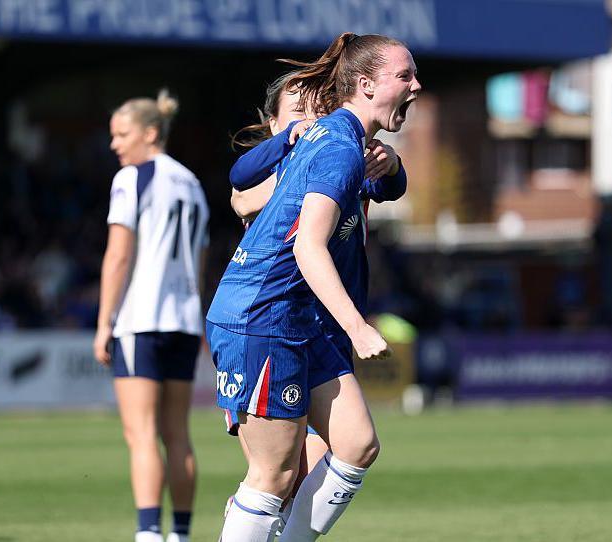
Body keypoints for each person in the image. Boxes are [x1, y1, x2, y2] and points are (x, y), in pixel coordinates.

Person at [206, 32, 420, 541]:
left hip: (301, 320)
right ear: (366, 85)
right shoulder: (336, 150)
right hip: (263, 318)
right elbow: (306, 246)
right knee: (275, 474)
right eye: (405, 76)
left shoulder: (345, 143)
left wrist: (393, 168)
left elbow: (388, 185)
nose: (417, 86)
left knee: (357, 443)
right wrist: (360, 328)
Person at [93, 89, 210, 542]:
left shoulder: (131, 178)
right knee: (177, 433)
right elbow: (199, 261)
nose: (114, 145)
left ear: (149, 132)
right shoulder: (193, 183)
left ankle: (148, 533)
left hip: (141, 319)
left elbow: (118, 256)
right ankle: (180, 533)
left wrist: (104, 322)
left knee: (140, 434)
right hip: (182, 321)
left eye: (121, 134)